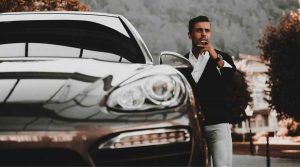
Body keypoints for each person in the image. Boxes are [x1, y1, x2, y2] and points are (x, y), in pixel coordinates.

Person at [184, 16, 236, 167]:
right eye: (199, 30)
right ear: (190, 35)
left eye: (207, 30)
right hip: (194, 128)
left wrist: (214, 55)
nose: (204, 34)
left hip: (218, 124)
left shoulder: (221, 58)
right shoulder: (182, 61)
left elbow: (233, 80)